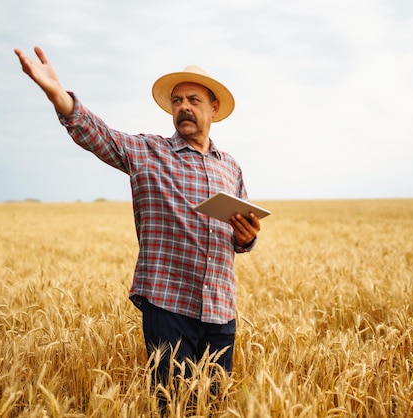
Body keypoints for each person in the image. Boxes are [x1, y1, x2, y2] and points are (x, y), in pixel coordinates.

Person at [14, 46, 261, 408]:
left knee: (213, 407)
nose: (184, 107)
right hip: (169, 306)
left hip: (221, 310)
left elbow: (240, 237)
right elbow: (98, 135)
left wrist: (247, 238)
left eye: (194, 99)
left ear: (214, 108)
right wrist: (58, 95)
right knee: (172, 406)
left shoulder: (231, 167)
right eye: (177, 101)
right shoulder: (148, 152)